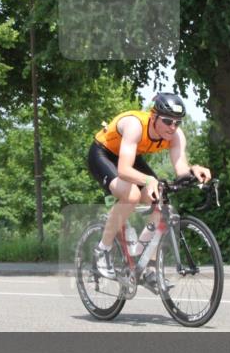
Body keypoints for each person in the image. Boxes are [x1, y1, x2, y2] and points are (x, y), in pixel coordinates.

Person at [87, 93, 211, 279]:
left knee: (161, 203)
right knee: (132, 196)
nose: (173, 127)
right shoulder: (135, 126)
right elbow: (123, 169)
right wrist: (148, 180)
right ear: (153, 117)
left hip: (131, 157)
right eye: (168, 121)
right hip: (103, 155)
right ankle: (102, 250)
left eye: (177, 123)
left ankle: (145, 261)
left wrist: (194, 170)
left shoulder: (175, 135)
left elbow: (181, 169)